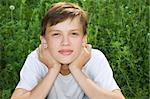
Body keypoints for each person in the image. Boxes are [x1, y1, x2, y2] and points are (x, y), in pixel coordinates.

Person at [11, 2, 125, 99]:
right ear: (44, 41)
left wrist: (76, 69)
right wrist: (53, 69)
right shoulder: (37, 58)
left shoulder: (94, 58)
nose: (65, 42)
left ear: (84, 39)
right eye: (56, 34)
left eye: (73, 34)